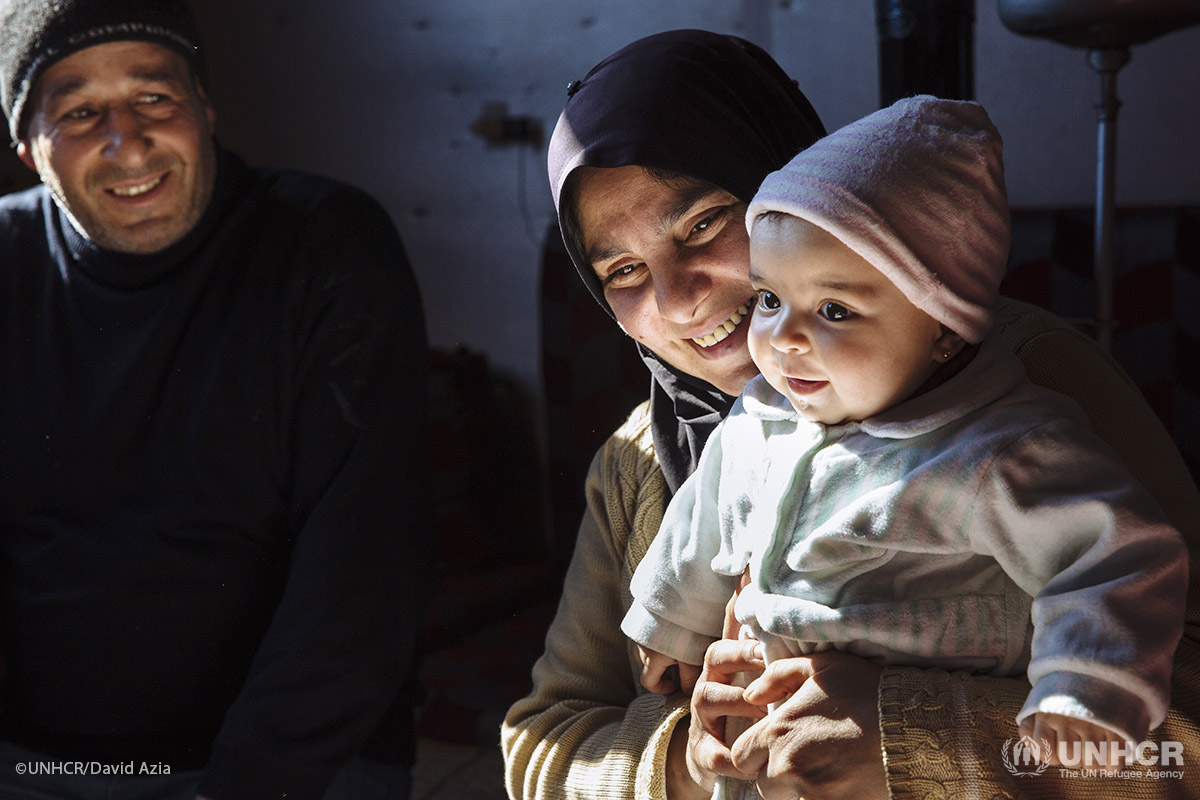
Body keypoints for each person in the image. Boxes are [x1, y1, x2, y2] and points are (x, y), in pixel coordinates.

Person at [502, 27, 1200, 800]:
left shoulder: (1022, 392)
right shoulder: (635, 462)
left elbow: (1185, 731)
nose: (678, 299)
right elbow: (543, 744)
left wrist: (913, 735)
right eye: (624, 271)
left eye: (703, 223)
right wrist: (693, 760)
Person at [0, 1, 430, 799]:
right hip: (39, 761)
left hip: (301, 760)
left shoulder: (325, 244)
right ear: (29, 149)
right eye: (81, 112)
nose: (127, 142)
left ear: (205, 107)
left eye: (155, 98)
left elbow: (364, 573)